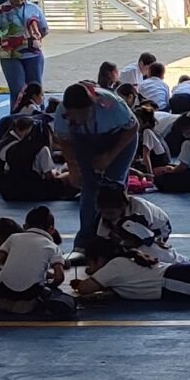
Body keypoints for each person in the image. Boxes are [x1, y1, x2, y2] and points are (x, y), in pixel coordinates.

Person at [50, 81, 139, 255]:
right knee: (88, 187)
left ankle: (118, 235)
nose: (77, 119)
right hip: (85, 140)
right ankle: (85, 241)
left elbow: (133, 127)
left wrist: (110, 156)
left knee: (112, 187)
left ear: (91, 107)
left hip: (120, 138)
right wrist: (73, 168)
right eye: (73, 116)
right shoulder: (63, 114)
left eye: (81, 115)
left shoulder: (112, 105)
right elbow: (65, 141)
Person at [0, 0, 49, 103]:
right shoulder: (1, 11)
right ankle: (18, 114)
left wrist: (35, 40)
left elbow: (44, 30)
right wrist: (4, 43)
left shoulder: (34, 8)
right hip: (10, 56)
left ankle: (39, 113)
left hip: (33, 55)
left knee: (36, 89)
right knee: (18, 90)